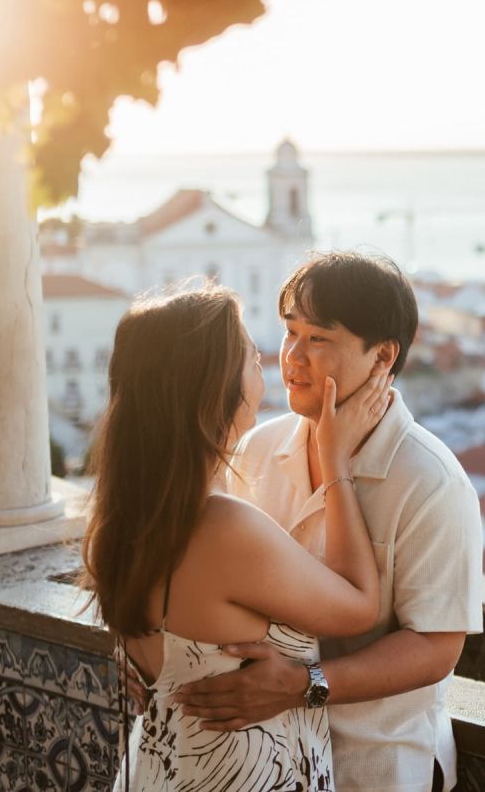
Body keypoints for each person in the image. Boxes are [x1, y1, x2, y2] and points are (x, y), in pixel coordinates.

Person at [174, 252, 484, 792]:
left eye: (318, 338)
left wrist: (301, 685)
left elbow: (437, 647)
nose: (292, 357)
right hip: (264, 755)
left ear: (382, 355)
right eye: (290, 332)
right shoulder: (260, 447)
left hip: (376, 763)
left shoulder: (430, 480)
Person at [82, 285, 391, 790]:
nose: (268, 359)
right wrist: (335, 461)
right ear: (215, 388)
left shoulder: (123, 520)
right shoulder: (221, 527)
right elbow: (359, 606)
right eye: (250, 355)